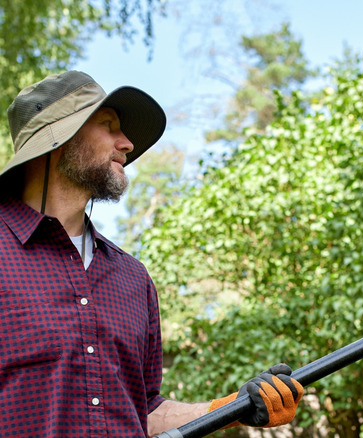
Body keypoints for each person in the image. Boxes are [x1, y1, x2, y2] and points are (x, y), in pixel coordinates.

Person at [0, 71, 303, 437]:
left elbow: (141, 409)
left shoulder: (132, 277)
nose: (126, 143)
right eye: (108, 125)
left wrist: (231, 409)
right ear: (59, 137)